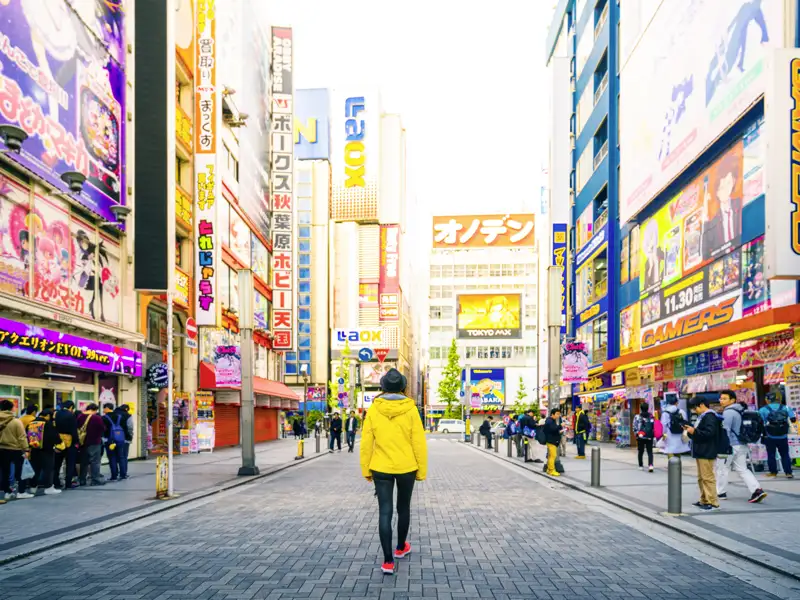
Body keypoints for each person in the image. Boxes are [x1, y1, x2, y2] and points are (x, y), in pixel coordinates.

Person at [360, 368, 427, 575]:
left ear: (383, 386)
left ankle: (388, 561)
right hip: (407, 466)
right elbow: (418, 442)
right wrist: (421, 470)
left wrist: (366, 469)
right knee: (403, 508)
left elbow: (366, 442)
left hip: (380, 467)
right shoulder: (411, 409)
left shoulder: (374, 409)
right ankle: (400, 548)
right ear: (403, 387)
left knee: (385, 511)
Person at [716, 390, 767, 503]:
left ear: (732, 400)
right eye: (721, 398)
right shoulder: (741, 410)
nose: (721, 401)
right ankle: (757, 490)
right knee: (742, 469)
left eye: (724, 398)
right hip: (742, 444)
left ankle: (721, 492)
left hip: (730, 445)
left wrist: (722, 446)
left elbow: (726, 431)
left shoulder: (728, 412)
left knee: (722, 469)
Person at [685, 396, 722, 511]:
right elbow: (699, 434)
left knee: (707, 477)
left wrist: (694, 431)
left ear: (701, 405)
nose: (694, 411)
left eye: (695, 408)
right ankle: (704, 499)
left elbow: (709, 433)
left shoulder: (710, 416)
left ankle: (713, 502)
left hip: (707, 450)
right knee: (701, 478)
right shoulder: (702, 417)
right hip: (701, 450)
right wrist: (691, 432)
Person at [758, 388, 796, 478]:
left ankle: (773, 472)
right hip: (783, 435)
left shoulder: (763, 409)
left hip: (769, 435)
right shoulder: (785, 407)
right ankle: (788, 472)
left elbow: (760, 422)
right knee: (785, 454)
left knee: (771, 454)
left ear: (768, 399)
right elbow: (793, 419)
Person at [0, 399, 31, 500]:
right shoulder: (16, 422)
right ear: (11, 408)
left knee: (5, 472)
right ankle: (21, 492)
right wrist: (26, 449)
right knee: (20, 471)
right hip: (16, 449)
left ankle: (7, 492)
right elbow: (22, 437)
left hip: (2, 449)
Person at [27, 409, 62, 495]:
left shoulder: (31, 423)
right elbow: (55, 438)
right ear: (48, 416)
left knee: (35, 469)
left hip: (34, 450)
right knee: (48, 469)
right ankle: (48, 487)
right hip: (47, 451)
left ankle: (33, 487)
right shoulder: (48, 424)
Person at [77, 404, 105, 486]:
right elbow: (102, 428)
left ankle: (82, 480)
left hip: (83, 442)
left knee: (84, 462)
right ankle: (95, 480)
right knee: (95, 462)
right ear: (95, 410)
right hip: (94, 442)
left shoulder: (80, 416)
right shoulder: (96, 418)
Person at [54, 400, 79, 489]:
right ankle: (68, 483)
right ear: (71, 407)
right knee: (70, 463)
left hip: (59, 441)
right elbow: (74, 430)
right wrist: (76, 442)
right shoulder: (71, 415)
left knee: (57, 463)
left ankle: (56, 483)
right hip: (69, 442)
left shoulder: (56, 414)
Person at [102, 403, 129, 481]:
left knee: (112, 457)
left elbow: (103, 429)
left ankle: (114, 476)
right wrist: (126, 438)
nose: (103, 410)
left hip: (109, 440)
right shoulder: (120, 417)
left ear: (107, 408)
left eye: (104, 408)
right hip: (120, 440)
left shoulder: (104, 418)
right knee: (121, 457)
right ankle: (123, 475)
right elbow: (125, 428)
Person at [633, 403, 656, 472]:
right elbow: (654, 427)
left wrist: (636, 434)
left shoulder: (637, 416)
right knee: (650, 452)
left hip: (640, 436)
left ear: (641, 408)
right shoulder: (651, 416)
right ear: (648, 408)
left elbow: (634, 426)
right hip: (649, 436)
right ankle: (651, 465)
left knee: (640, 451)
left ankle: (640, 465)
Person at [543, 408, 562, 477]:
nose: (558, 415)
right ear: (552, 414)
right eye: (557, 414)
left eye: (559, 414)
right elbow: (553, 429)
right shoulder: (550, 421)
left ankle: (549, 469)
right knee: (553, 456)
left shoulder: (550, 420)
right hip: (551, 441)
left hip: (551, 440)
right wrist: (560, 426)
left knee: (551, 455)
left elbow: (552, 430)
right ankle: (551, 470)